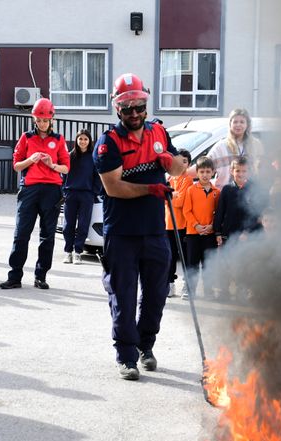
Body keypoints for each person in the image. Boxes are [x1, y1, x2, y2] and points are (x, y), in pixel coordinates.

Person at [93, 73, 186, 380]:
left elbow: (177, 167)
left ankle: (146, 346)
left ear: (146, 105)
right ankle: (126, 356)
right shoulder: (108, 143)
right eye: (127, 107)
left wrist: (169, 161)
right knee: (124, 295)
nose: (134, 113)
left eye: (139, 106)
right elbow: (113, 187)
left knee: (157, 294)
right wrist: (150, 189)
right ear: (117, 109)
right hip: (122, 232)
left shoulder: (158, 130)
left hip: (155, 230)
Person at [0, 98, 69, 290]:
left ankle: (41, 276)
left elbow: (66, 168)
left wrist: (51, 165)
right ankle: (14, 276)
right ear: (34, 119)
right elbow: (16, 165)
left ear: (51, 120)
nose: (42, 123)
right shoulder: (26, 138)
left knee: (47, 236)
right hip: (30, 189)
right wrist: (30, 159)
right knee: (21, 233)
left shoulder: (59, 139)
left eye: (45, 120)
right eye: (39, 120)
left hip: (52, 190)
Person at [182, 157, 220, 300]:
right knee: (192, 263)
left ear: (213, 173)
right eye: (202, 171)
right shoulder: (191, 190)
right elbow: (187, 211)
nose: (205, 174)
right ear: (197, 173)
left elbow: (218, 212)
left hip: (209, 234)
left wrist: (212, 226)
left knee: (208, 264)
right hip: (193, 233)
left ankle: (209, 290)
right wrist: (196, 225)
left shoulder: (217, 192)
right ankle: (190, 290)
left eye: (208, 172)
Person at [62, 129, 102, 265]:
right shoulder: (69, 156)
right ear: (76, 140)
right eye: (80, 139)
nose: (83, 141)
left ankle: (78, 252)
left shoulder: (93, 157)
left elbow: (98, 177)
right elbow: (63, 175)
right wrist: (64, 191)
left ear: (89, 141)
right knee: (68, 225)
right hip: (71, 194)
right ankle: (68, 252)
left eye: (85, 139)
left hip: (86, 195)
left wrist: (93, 192)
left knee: (83, 224)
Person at [206, 108, 264, 187]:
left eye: (242, 122)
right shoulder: (221, 146)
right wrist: (184, 169)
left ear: (247, 125)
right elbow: (203, 166)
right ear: (230, 124)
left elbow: (263, 168)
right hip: (226, 194)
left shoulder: (256, 145)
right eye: (235, 122)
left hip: (250, 194)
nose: (238, 125)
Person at [165, 148, 192, 297]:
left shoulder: (187, 179)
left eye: (185, 161)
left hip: (181, 224)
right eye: (179, 161)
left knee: (184, 256)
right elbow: (164, 198)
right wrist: (169, 196)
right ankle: (169, 284)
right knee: (170, 256)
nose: (181, 164)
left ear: (188, 164)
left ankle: (187, 285)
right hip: (168, 223)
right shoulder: (169, 178)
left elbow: (180, 201)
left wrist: (168, 196)